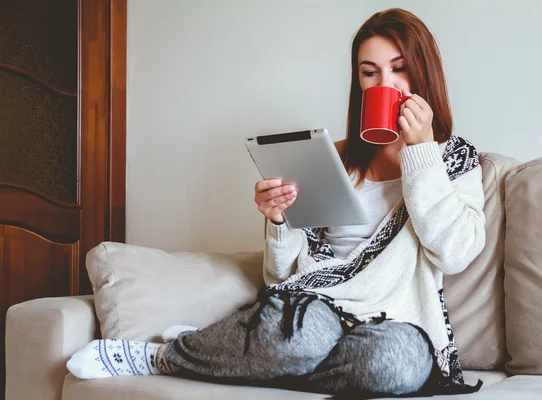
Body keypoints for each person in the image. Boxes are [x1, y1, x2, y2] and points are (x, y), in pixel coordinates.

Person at [66, 8, 485, 398]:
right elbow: (280, 276)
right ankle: (161, 357)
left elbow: (455, 253)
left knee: (394, 365)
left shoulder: (453, 160)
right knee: (302, 336)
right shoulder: (336, 158)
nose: (384, 86)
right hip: (321, 309)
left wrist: (421, 153)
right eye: (369, 73)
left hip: (397, 321)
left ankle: (235, 355)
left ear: (423, 72)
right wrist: (280, 221)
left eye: (399, 69)